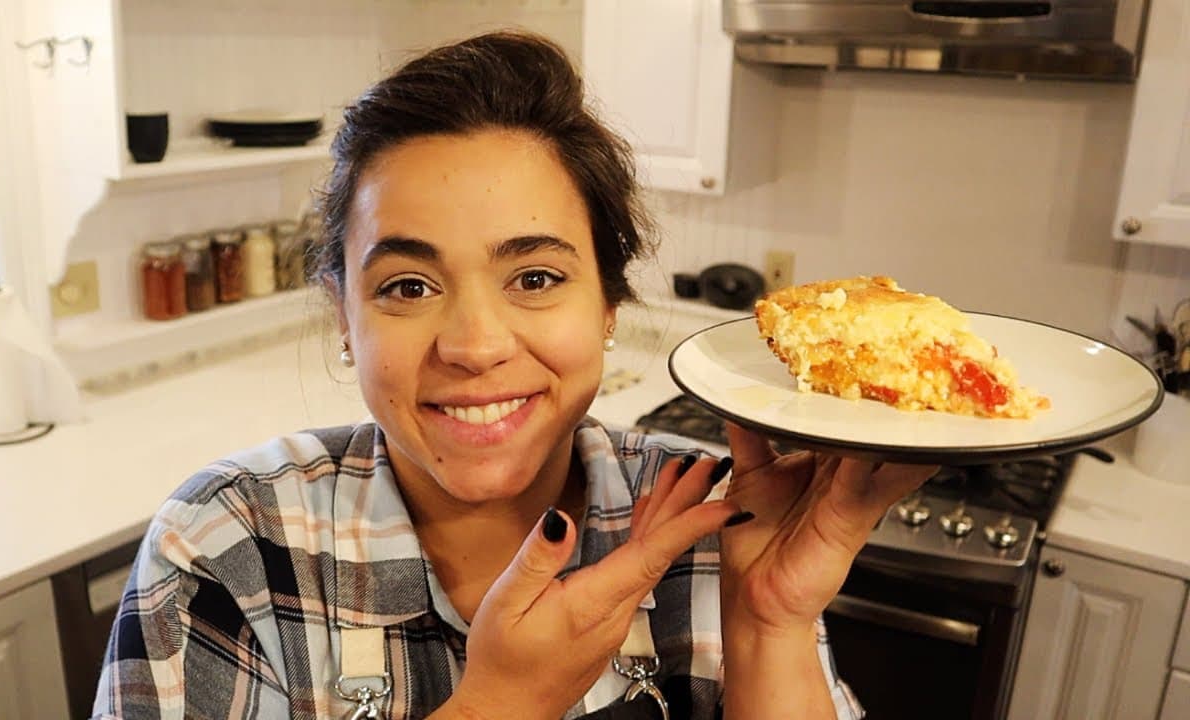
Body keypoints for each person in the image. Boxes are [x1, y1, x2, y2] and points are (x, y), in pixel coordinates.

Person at [91, 31, 935, 720]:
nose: (475, 345)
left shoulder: (718, 523)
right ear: (343, 315)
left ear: (609, 304)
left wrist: (770, 629)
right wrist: (502, 703)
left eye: (534, 277)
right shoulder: (230, 549)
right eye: (408, 287)